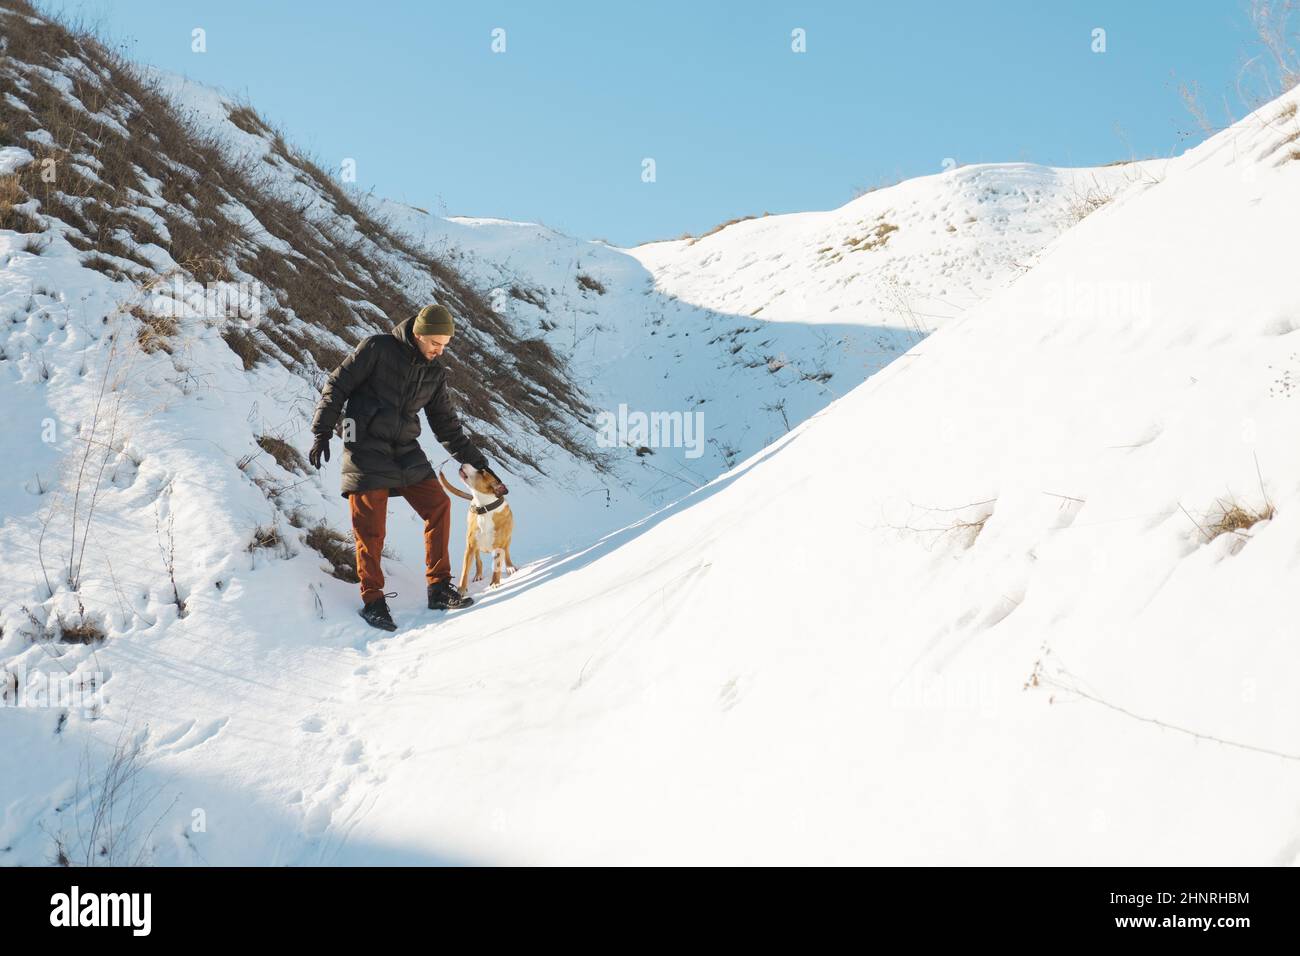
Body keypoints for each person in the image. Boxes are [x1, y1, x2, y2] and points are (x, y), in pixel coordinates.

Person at [308, 303, 498, 630]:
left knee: (438, 505)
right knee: (371, 529)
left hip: (405, 451)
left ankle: (439, 587)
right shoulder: (377, 348)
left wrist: (480, 466)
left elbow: (448, 428)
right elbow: (338, 384)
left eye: (445, 346)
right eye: (435, 343)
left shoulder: (434, 374)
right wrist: (323, 430)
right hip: (365, 447)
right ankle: (373, 600)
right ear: (419, 333)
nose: (440, 351)